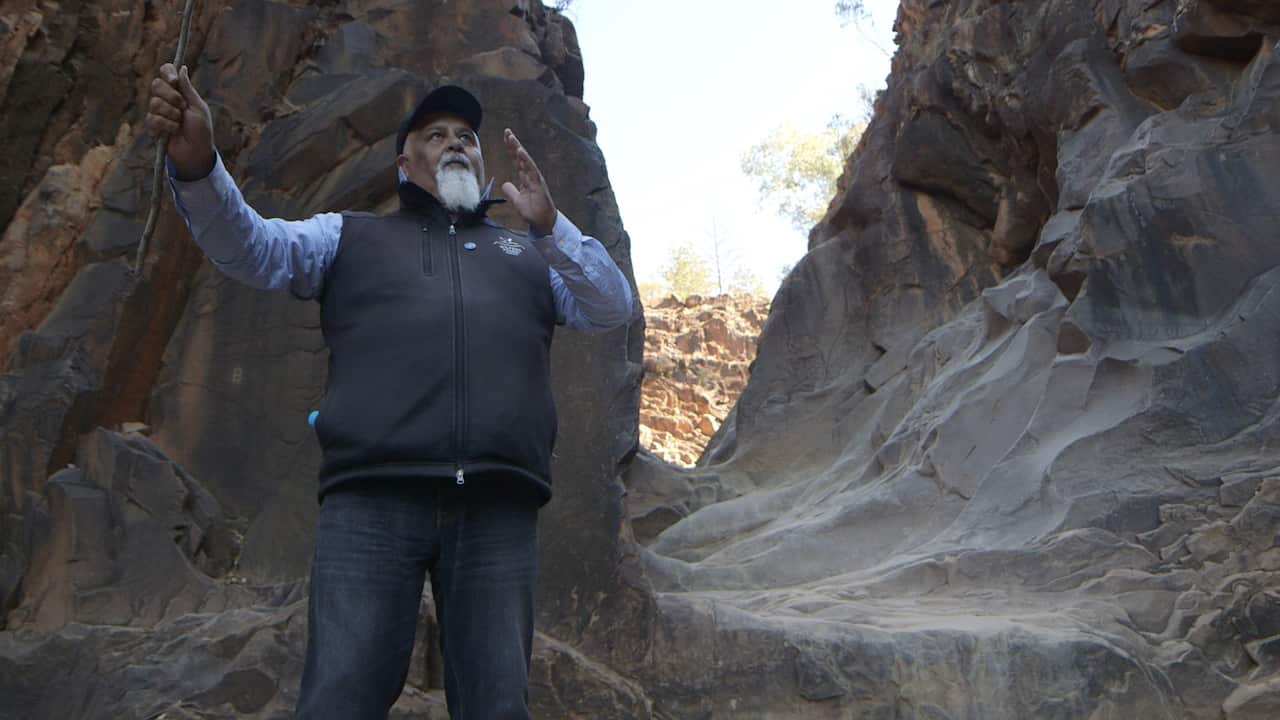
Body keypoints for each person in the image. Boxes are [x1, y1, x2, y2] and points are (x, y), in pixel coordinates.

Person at [145, 62, 632, 720]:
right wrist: (200, 167)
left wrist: (551, 224)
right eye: (435, 134)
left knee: (496, 706)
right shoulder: (347, 236)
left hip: (497, 507)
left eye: (467, 134)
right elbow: (251, 247)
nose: (457, 141)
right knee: (340, 701)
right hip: (370, 503)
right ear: (405, 164)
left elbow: (609, 307)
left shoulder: (530, 254)